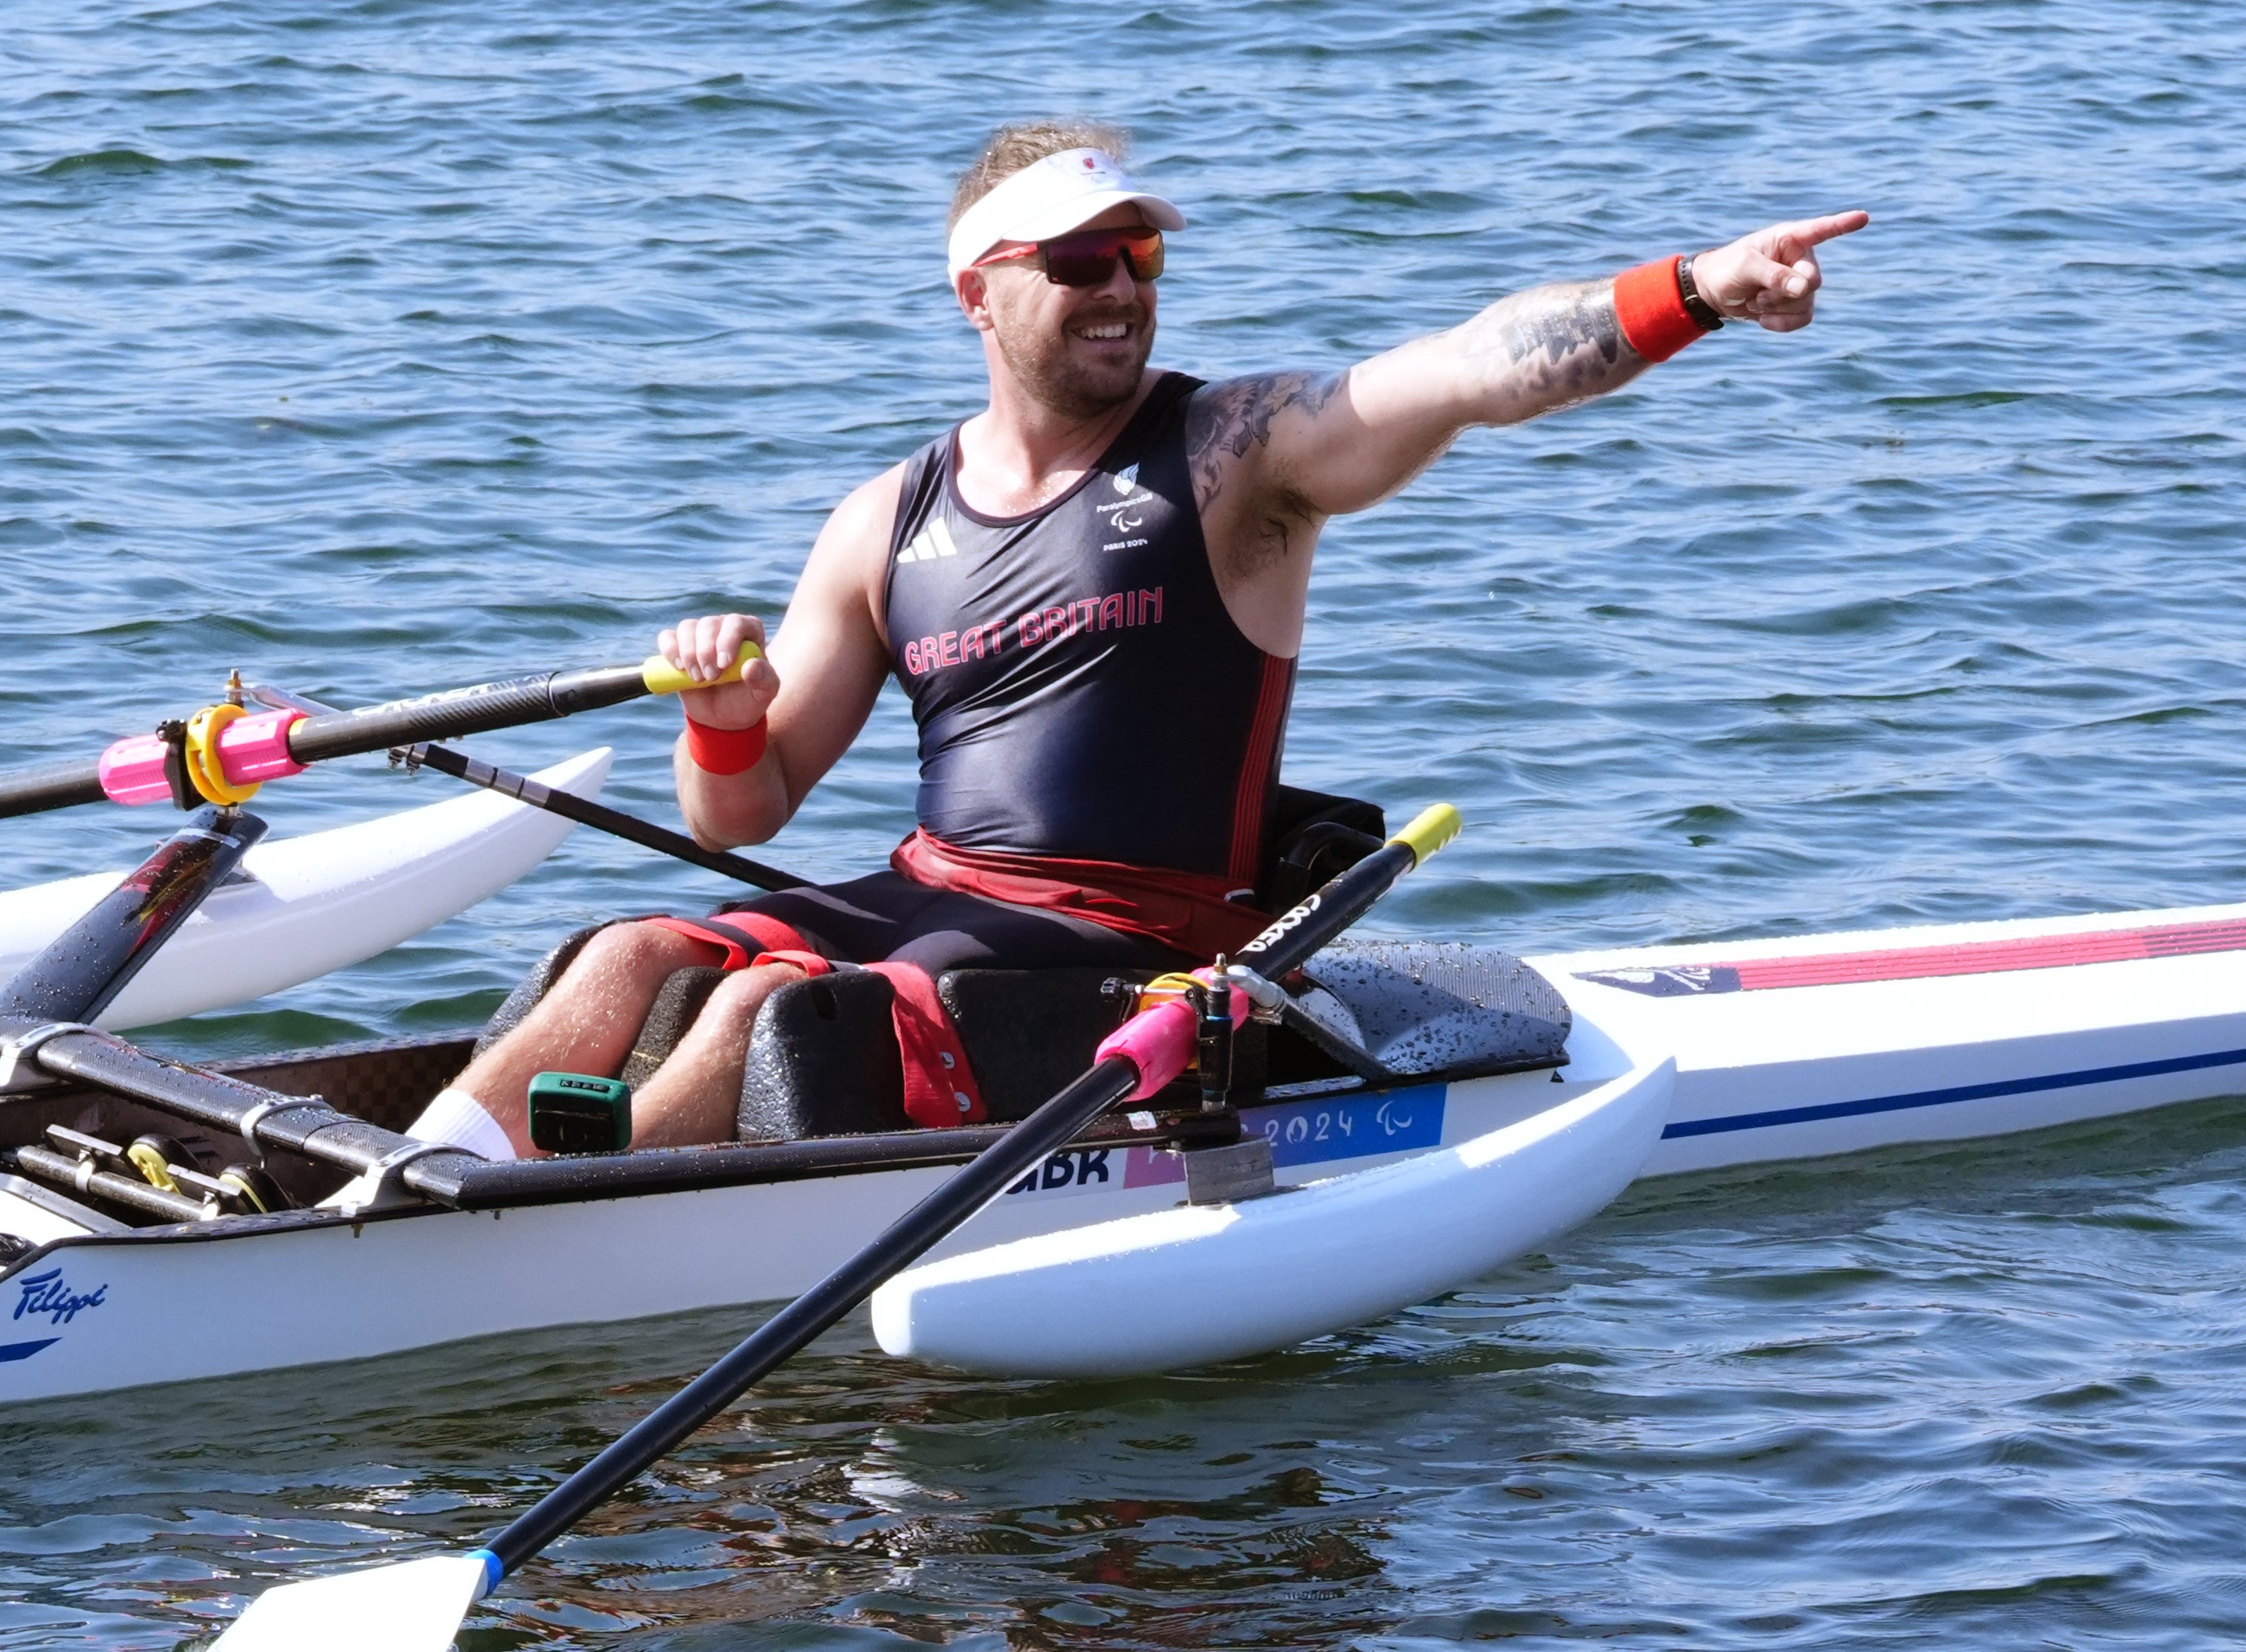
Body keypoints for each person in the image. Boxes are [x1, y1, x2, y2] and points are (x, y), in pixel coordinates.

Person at [420, 121, 1865, 1158]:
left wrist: (1693, 290)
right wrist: (724, 714)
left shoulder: (1234, 456)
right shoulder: (885, 518)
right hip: (940, 896)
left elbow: (1461, 376)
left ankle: (576, 1222)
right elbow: (739, 811)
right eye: (1079, 259)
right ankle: (416, 1182)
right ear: (977, 292)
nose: (1122, 284)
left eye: (1140, 253)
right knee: (621, 953)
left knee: (761, 1017)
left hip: (1144, 930)